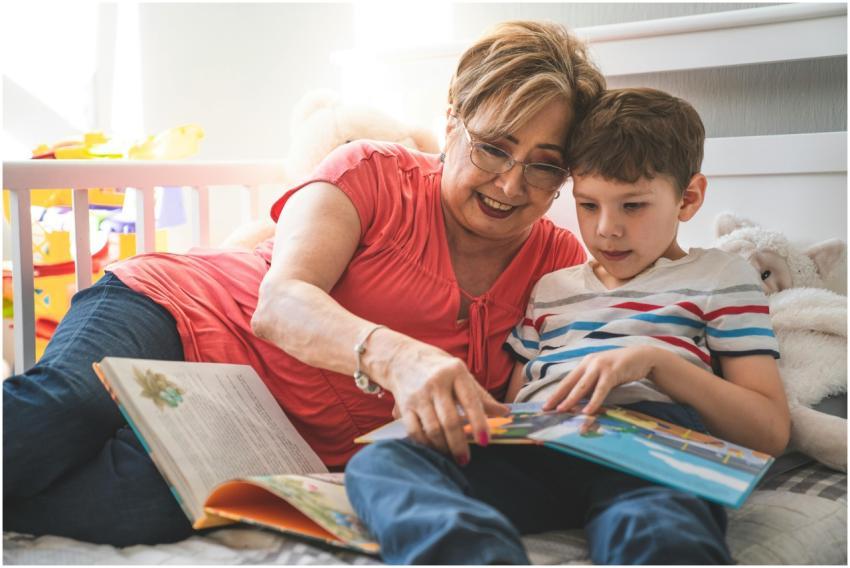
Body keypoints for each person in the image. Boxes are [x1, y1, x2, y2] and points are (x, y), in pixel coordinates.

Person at [3, 21, 605, 546]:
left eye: (544, 164)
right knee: (63, 410)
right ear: (450, 121)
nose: (509, 184)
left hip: (258, 431)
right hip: (176, 312)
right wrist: (395, 355)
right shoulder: (371, 170)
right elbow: (280, 303)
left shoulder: (560, 267)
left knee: (140, 505)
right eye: (494, 149)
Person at [345, 88, 792, 564]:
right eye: (588, 205)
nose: (606, 229)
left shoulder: (721, 278)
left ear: (688, 198)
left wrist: (655, 363)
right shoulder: (551, 288)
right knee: (381, 462)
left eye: (633, 206)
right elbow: (512, 404)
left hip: (651, 454)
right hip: (542, 448)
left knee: (655, 526)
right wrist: (452, 417)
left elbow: (768, 431)